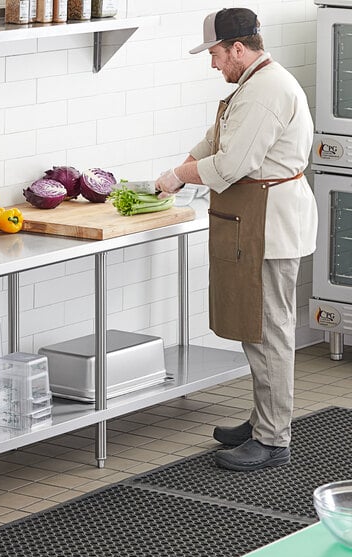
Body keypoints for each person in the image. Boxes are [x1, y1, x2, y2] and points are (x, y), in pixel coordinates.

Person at [155, 7, 317, 471]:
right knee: (256, 327)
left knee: (268, 332)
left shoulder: (265, 91)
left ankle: (272, 439)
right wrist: (185, 166)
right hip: (258, 220)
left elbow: (231, 165)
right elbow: (218, 139)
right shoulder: (254, 82)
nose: (212, 64)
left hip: (271, 225)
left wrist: (175, 175)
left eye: (215, 54)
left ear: (239, 49)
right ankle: (263, 419)